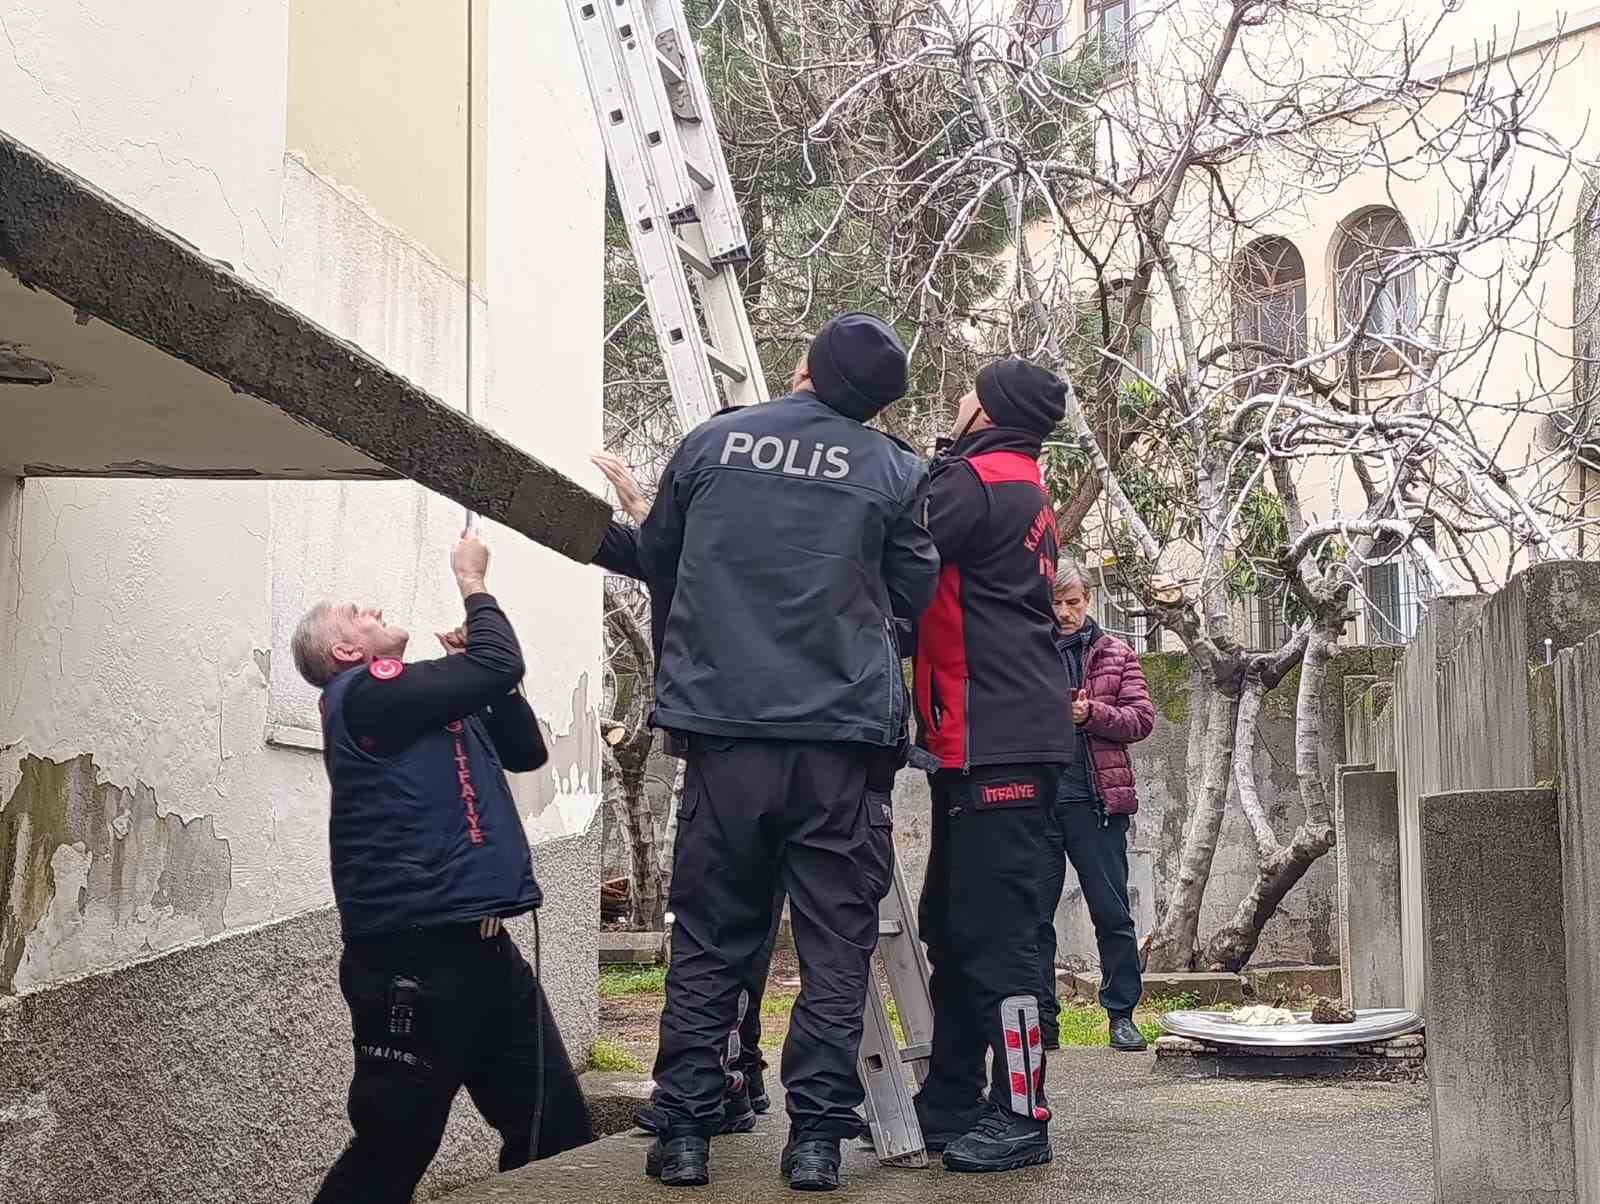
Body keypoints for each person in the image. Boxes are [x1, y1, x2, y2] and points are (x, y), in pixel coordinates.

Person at [618, 311, 939, 1190]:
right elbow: (913, 589)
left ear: (808, 369)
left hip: (725, 738)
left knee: (712, 939)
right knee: (836, 946)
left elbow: (658, 557)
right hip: (838, 745)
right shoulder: (896, 470)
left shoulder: (715, 442)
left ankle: (682, 1131)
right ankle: (815, 1145)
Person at [296, 530, 594, 1204]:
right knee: (392, 1147)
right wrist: (472, 581)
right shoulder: (364, 695)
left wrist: (489, 685)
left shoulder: (420, 701)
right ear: (347, 652)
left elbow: (524, 752)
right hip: (415, 960)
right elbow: (498, 659)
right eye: (355, 613)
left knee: (556, 1128)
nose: (371, 606)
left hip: (488, 953)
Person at [911, 357, 1073, 1174]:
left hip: (995, 738)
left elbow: (891, 546)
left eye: (970, 389)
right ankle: (949, 1098)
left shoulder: (978, 483)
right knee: (952, 924)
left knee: (1001, 938)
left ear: (997, 409)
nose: (958, 398)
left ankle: (1020, 1112)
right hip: (986, 739)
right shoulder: (1019, 482)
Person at [589, 451, 782, 1135]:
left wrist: (647, 516)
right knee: (736, 923)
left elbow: (657, 553)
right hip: (716, 740)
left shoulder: (727, 553)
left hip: (739, 745)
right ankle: (741, 1074)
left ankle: (731, 1079)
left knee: (730, 925)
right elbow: (624, 546)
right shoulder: (681, 550)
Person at [1039, 558, 1156, 1053]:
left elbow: (1140, 720)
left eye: (1073, 602)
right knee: (1032, 916)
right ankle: (1042, 1021)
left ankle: (1122, 1015)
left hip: (1097, 801)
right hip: (1037, 803)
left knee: (1111, 912)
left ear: (1089, 601)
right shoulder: (1027, 652)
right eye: (1057, 602)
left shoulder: (1116, 653)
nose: (1065, 612)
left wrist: (1091, 714)